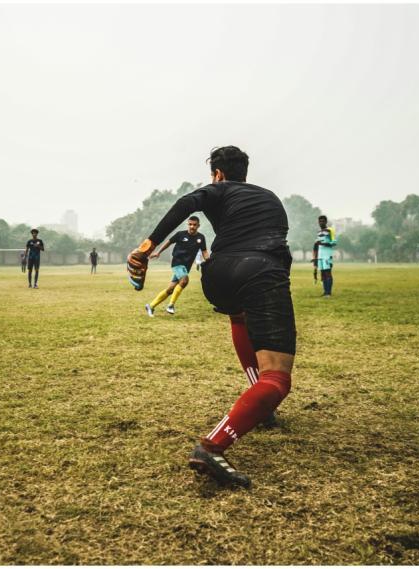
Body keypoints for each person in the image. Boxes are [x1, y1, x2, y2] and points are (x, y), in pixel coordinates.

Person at [127, 146, 295, 488]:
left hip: (217, 275)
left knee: (239, 317)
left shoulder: (218, 190)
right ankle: (212, 446)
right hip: (261, 269)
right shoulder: (269, 198)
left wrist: (146, 248)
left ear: (217, 174)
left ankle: (259, 404)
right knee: (277, 379)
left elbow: (185, 203)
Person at [145, 216, 208, 316]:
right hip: (177, 263)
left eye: (194, 225)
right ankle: (171, 305)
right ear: (188, 224)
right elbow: (168, 242)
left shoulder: (201, 237)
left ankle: (151, 306)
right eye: (190, 224)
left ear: (198, 226)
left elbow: (204, 251)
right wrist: (158, 252)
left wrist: (209, 262)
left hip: (186, 267)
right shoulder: (180, 234)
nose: (192, 226)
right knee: (185, 280)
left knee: (170, 289)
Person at [314, 215, 337, 297]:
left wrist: (324, 243)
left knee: (328, 273)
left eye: (323, 221)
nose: (321, 223)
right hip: (320, 256)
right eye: (320, 221)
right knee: (322, 273)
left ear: (326, 222)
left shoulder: (330, 230)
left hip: (327, 255)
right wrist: (315, 256)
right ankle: (325, 292)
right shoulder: (319, 232)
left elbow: (334, 242)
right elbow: (317, 245)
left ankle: (329, 293)